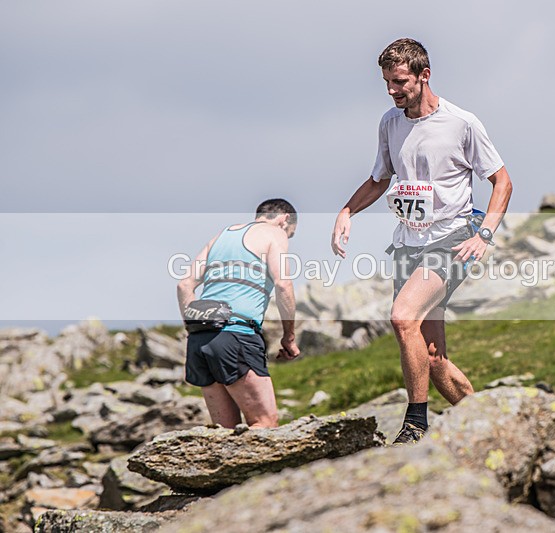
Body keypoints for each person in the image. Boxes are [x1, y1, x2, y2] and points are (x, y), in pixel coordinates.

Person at [331, 38, 513, 444]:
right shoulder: (390, 123)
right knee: (432, 359)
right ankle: (491, 430)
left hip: (453, 240)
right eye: (387, 83)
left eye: (400, 82)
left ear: (424, 75)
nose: (393, 91)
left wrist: (484, 235)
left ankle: (415, 423)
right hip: (407, 246)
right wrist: (346, 212)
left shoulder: (462, 123)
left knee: (402, 317)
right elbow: (380, 179)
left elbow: (502, 181)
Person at [177, 198, 301, 429]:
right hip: (237, 335)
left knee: (225, 433)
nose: (288, 237)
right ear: (284, 220)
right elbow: (283, 284)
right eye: (290, 233)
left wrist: (195, 326)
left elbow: (184, 285)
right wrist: (289, 337)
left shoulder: (220, 237)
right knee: (265, 423)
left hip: (200, 339)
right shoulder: (274, 233)